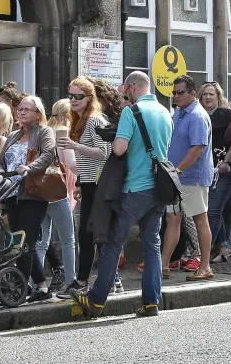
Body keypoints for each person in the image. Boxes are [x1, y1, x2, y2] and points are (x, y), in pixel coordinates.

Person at [72, 72, 172, 319]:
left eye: (125, 89)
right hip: (158, 188)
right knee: (152, 246)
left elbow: (119, 149)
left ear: (132, 86)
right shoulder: (164, 112)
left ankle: (96, 300)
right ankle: (151, 302)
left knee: (113, 243)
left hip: (135, 187)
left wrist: (117, 134)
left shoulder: (132, 112)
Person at [57, 77, 109, 293]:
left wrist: (73, 145)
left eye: (79, 96)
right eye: (71, 96)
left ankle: (86, 282)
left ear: (90, 99)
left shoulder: (94, 120)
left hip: (99, 184)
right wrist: (79, 182)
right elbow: (88, 160)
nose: (73, 100)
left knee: (92, 234)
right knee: (87, 234)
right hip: (89, 183)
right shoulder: (79, 121)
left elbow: (103, 153)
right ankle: (89, 281)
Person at [161, 75, 216, 280]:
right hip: (178, 177)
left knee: (200, 219)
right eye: (174, 93)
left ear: (193, 94)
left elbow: (198, 148)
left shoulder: (197, 115)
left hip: (193, 176)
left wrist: (178, 170)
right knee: (172, 219)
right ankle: (164, 265)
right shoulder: (179, 113)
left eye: (180, 92)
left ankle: (205, 266)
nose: (176, 96)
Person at [4, 95, 57, 302]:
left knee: (23, 241)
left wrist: (29, 167)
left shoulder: (44, 132)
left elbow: (48, 154)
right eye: (20, 109)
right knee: (20, 241)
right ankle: (42, 287)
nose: (22, 112)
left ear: (38, 115)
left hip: (33, 194)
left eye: (27, 109)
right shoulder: (13, 136)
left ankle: (20, 288)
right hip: (11, 194)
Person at [38, 99, 77, 296]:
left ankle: (37, 283)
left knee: (41, 242)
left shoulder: (43, 132)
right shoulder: (63, 134)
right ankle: (71, 281)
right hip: (59, 192)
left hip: (39, 191)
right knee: (68, 240)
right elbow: (70, 163)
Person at [200, 82, 231, 261]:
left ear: (218, 97)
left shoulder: (227, 114)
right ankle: (222, 247)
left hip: (224, 169)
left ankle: (203, 254)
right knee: (215, 209)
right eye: (205, 95)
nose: (208, 98)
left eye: (211, 94)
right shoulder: (198, 115)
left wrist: (227, 160)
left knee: (213, 211)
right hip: (206, 169)